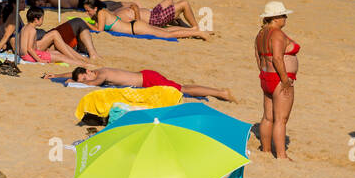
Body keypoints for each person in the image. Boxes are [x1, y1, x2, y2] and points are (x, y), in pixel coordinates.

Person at [255, 1, 298, 159]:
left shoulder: (261, 34)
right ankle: (281, 155)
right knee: (281, 119)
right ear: (275, 18)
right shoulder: (277, 34)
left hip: (266, 77)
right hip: (278, 78)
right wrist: (285, 79)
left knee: (268, 117)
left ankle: (266, 150)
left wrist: (264, 72)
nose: (285, 18)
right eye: (283, 15)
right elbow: (278, 59)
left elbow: (258, 57)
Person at [51, 66, 234, 100]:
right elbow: (78, 71)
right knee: (181, 87)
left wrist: (68, 81)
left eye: (85, 77)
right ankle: (219, 92)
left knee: (183, 89)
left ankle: (220, 92)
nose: (86, 80)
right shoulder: (96, 71)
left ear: (89, 72)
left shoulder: (101, 74)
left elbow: (93, 84)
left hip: (148, 80)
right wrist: (57, 75)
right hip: (146, 77)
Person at [82, 0, 211, 40]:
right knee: (167, 32)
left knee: (168, 34)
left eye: (88, 11)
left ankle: (197, 30)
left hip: (143, 24)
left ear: (95, 8)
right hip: (139, 24)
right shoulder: (104, 13)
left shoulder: (102, 14)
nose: (87, 13)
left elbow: (99, 30)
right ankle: (195, 30)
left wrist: (85, 24)